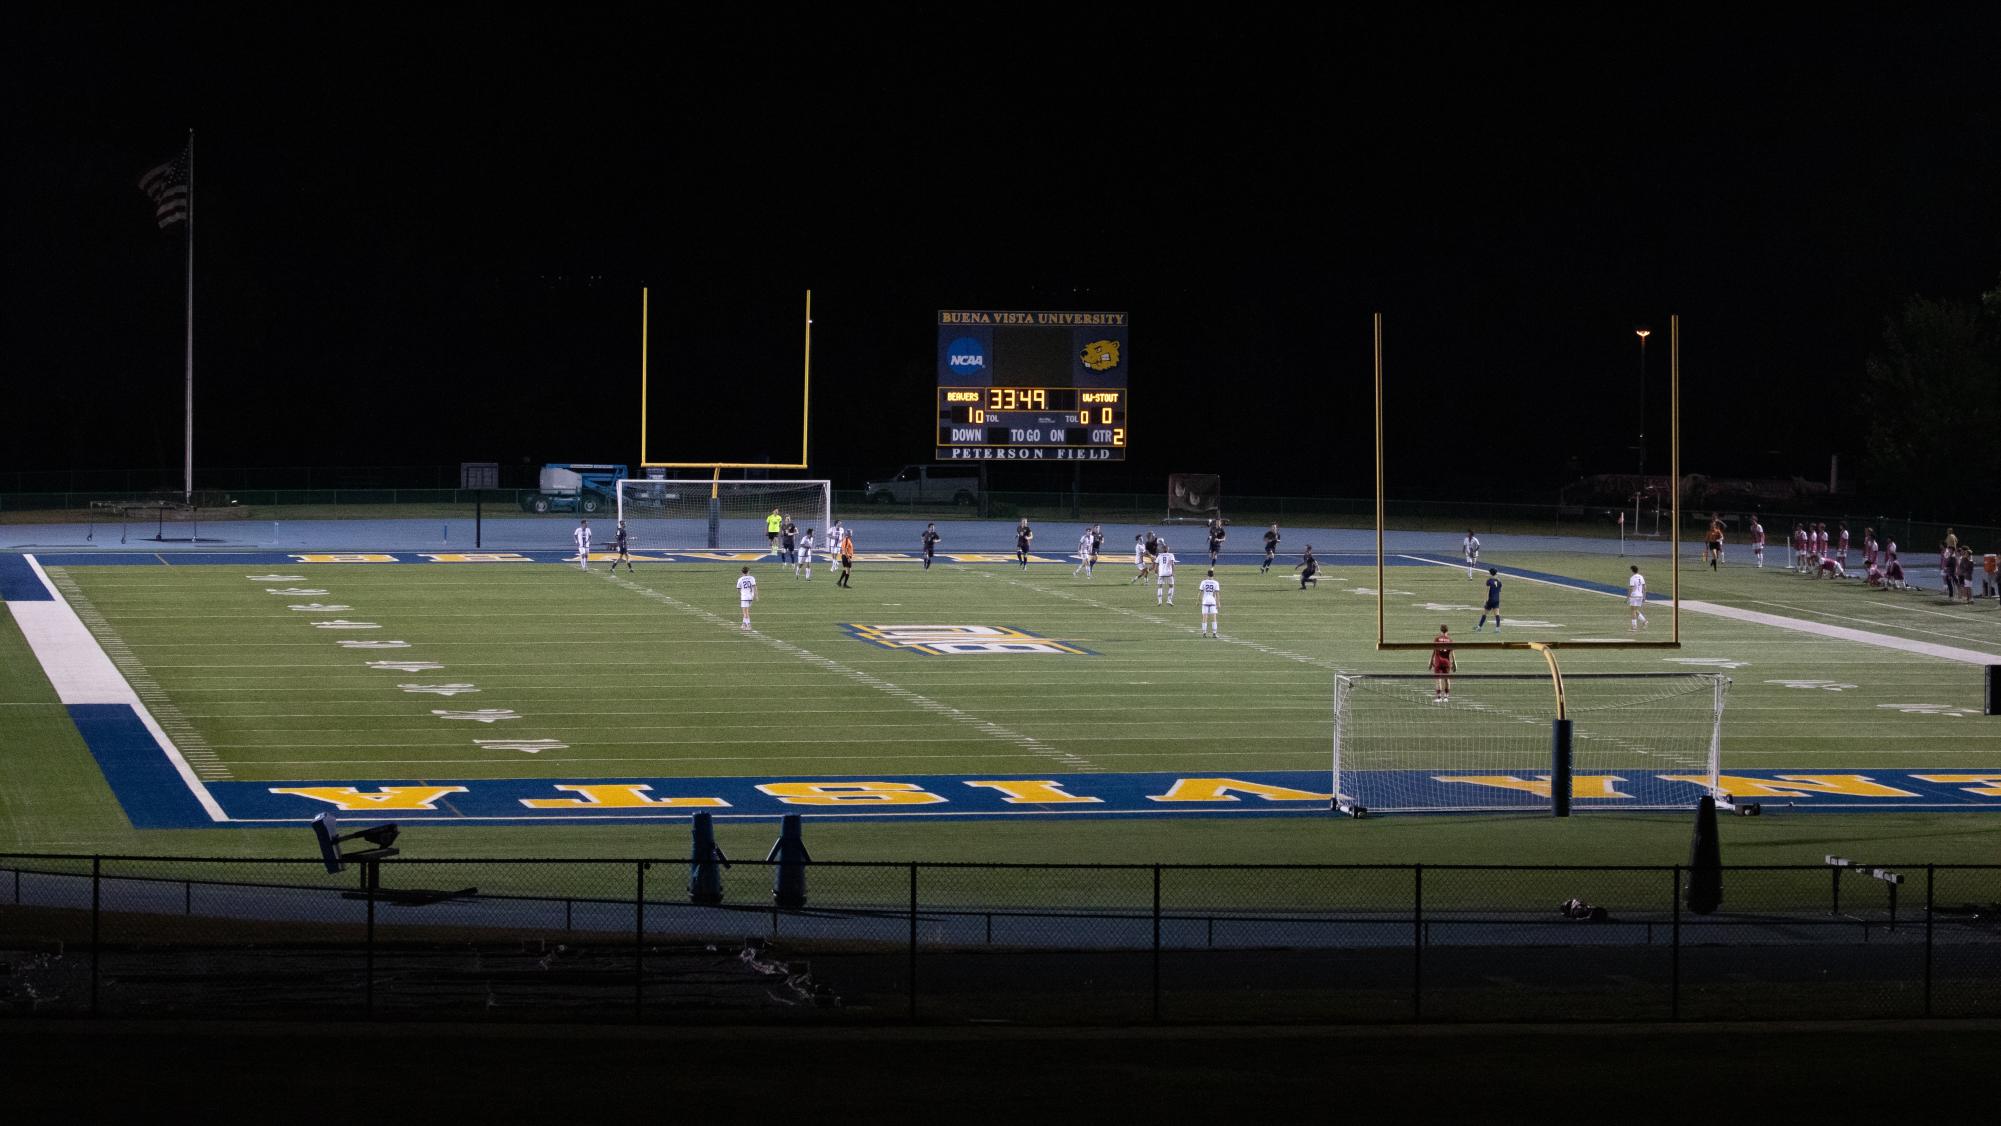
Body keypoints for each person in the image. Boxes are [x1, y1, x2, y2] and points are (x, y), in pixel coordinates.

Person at [1430, 624, 1456, 704]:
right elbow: (1452, 653)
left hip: (1438, 661)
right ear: (1447, 631)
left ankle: (1438, 697)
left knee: (1438, 679)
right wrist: (1454, 662)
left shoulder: (1437, 639)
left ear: (1440, 630)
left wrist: (1431, 661)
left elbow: (1434, 651)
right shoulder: (1450, 640)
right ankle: (1446, 696)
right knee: (1447, 679)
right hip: (1446, 661)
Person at [1198, 569, 1222, 637]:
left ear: (1207, 575)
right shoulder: (1216, 583)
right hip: (1212, 601)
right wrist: (1218, 603)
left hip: (1205, 601)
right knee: (1214, 618)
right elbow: (1217, 594)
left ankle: (1204, 633)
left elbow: (1200, 592)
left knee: (1204, 618)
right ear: (1213, 575)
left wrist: (1197, 601)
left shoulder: (1203, 582)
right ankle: (1214, 633)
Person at [1156, 542, 1177, 606]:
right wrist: (1173, 572)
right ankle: (1169, 600)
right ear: (1167, 549)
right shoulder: (1171, 555)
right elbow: (1173, 564)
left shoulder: (1159, 555)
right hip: (1168, 573)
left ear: (1162, 549)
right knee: (1171, 586)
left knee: (1160, 586)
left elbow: (1156, 565)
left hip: (1161, 573)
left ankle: (1159, 601)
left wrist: (1156, 572)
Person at [1627, 564, 1648, 630]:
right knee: (1635, 610)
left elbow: (1631, 588)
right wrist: (1644, 596)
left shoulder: (1632, 578)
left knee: (1633, 610)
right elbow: (1645, 587)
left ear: (1632, 570)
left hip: (1634, 596)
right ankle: (1644, 621)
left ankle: (1634, 627)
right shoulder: (1641, 577)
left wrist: (1628, 597)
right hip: (1640, 595)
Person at [736, 566, 757, 630]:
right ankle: (743, 624)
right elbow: (754, 587)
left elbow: (738, 590)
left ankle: (748, 625)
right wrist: (756, 595)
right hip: (751, 597)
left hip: (744, 597)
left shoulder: (740, 579)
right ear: (748, 572)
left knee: (745, 612)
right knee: (746, 611)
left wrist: (741, 593)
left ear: (742, 572)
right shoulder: (752, 578)